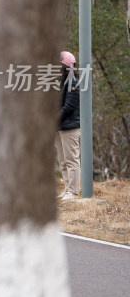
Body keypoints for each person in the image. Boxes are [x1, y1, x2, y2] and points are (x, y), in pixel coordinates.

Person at [56, 51, 81, 200]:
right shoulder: (62, 81)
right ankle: (67, 189)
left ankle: (73, 191)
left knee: (71, 160)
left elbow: (69, 106)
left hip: (70, 127)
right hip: (60, 127)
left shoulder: (72, 81)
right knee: (63, 161)